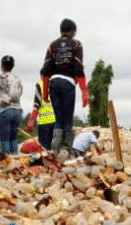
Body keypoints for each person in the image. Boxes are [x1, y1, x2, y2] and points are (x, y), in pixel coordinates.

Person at [40, 18, 87, 156]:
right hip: (68, 83)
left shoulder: (52, 45)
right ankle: (66, 149)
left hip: (53, 83)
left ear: (61, 31)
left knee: (58, 119)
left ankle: (55, 147)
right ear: (73, 31)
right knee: (68, 118)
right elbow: (78, 68)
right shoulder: (77, 44)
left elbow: (46, 70)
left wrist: (44, 93)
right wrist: (84, 92)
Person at [26, 79, 56, 149]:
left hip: (44, 124)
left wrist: (31, 123)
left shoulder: (40, 85)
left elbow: (36, 105)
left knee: (44, 151)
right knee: (56, 150)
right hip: (57, 123)